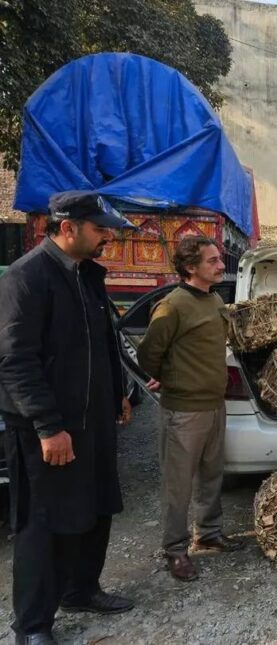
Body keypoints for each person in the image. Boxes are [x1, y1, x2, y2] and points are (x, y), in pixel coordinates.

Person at [0, 191, 136, 645]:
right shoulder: (27, 278)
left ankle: (81, 590)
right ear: (66, 228)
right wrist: (48, 426)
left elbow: (104, 343)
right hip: (48, 430)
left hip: (93, 421)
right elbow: (16, 361)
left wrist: (118, 394)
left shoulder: (88, 276)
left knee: (96, 507)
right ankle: (33, 626)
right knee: (43, 525)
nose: (107, 238)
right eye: (99, 229)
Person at [137, 236, 244, 583]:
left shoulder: (213, 299)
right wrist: (169, 377)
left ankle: (208, 533)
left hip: (214, 405)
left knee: (212, 475)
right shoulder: (173, 306)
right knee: (178, 484)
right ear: (189, 268)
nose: (220, 265)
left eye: (219, 259)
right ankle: (175, 550)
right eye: (212, 261)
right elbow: (148, 354)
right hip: (184, 411)